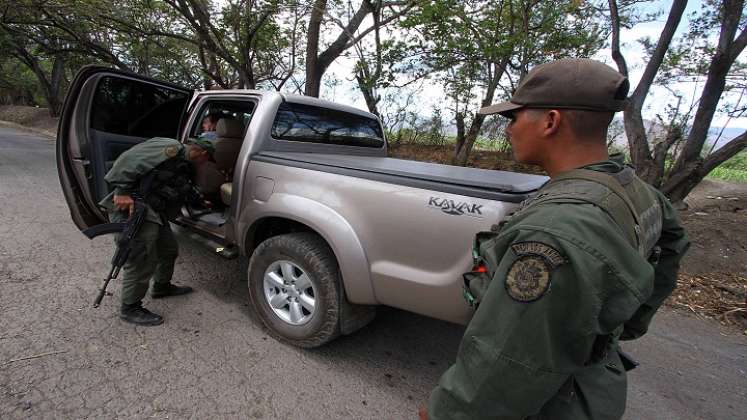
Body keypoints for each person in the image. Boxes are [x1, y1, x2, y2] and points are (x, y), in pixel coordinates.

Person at [421, 58, 690, 419]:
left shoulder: (553, 231)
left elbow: (507, 359)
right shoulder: (634, 191)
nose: (509, 129)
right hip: (596, 383)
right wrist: (622, 323)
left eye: (513, 117)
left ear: (550, 121)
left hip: (554, 402)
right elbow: (670, 249)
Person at [99, 137, 215, 326]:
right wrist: (121, 190)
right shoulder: (172, 148)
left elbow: (180, 187)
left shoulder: (184, 165)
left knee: (168, 250)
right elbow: (129, 159)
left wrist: (200, 201)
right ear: (201, 153)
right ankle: (130, 308)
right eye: (207, 159)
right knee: (140, 260)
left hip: (154, 212)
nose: (205, 164)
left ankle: (162, 287)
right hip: (136, 209)